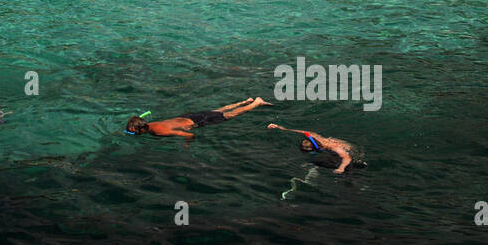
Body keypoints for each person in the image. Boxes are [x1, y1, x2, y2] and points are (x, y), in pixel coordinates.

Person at [124, 96, 271, 141]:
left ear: (142, 128)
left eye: (135, 132)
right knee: (218, 111)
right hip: (187, 116)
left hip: (196, 122)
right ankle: (245, 101)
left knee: (230, 115)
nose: (134, 134)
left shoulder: (159, 132)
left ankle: (256, 102)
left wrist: (187, 144)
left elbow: (189, 134)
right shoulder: (151, 125)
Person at [267, 123, 363, 174]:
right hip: (335, 151)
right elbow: (303, 132)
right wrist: (281, 128)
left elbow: (347, 157)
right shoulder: (314, 137)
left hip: (351, 152)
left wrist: (341, 168)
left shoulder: (333, 147)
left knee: (342, 169)